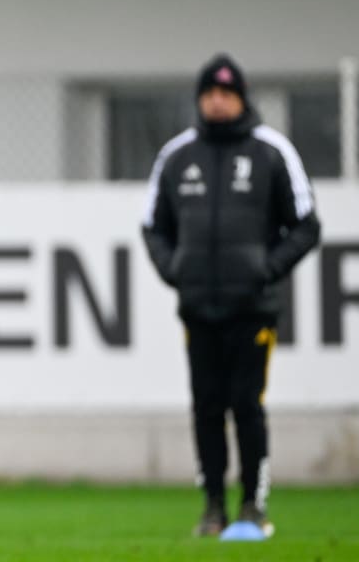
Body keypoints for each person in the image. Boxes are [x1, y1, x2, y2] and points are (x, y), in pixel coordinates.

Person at [142, 53, 321, 539]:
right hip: (198, 306)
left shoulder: (270, 151)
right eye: (209, 94)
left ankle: (253, 504)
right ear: (200, 99)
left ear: (241, 98)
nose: (217, 102)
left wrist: (266, 270)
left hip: (252, 308)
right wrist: (176, 270)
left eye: (226, 93)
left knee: (246, 403)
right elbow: (152, 226)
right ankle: (213, 506)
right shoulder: (177, 156)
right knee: (205, 407)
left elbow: (306, 226)